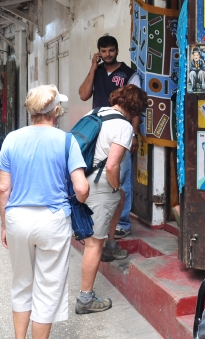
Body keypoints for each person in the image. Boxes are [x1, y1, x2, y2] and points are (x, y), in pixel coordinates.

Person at [0, 85, 89, 339]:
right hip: (52, 220)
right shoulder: (67, 140)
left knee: (21, 283)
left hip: (17, 219)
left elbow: (4, 188)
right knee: (48, 288)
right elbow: (81, 188)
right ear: (56, 110)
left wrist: (4, 225)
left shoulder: (12, 139)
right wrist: (83, 196)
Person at [77, 84, 148, 315]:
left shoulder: (95, 112)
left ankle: (109, 244)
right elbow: (112, 166)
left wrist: (117, 193)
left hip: (82, 178)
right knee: (92, 244)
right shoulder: (123, 126)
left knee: (121, 198)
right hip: (99, 184)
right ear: (135, 109)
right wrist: (115, 187)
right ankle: (85, 298)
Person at [78, 35, 140, 240]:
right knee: (97, 170)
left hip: (122, 129)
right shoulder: (96, 72)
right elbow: (83, 95)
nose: (107, 54)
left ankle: (122, 222)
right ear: (99, 53)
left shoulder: (129, 74)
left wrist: (134, 134)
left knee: (122, 175)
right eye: (103, 51)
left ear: (117, 50)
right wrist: (93, 68)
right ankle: (101, 217)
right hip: (99, 130)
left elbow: (136, 106)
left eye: (111, 50)